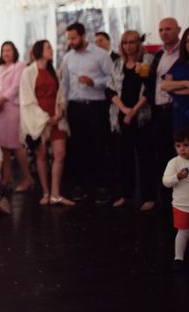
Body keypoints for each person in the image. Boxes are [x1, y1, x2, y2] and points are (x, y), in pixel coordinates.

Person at [61, 22, 113, 202]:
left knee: (99, 145)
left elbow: (112, 79)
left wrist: (94, 82)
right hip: (76, 106)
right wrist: (65, 107)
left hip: (96, 106)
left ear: (83, 36)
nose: (71, 41)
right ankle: (81, 185)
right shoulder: (68, 58)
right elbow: (65, 84)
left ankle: (102, 187)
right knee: (78, 147)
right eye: (69, 39)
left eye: (74, 38)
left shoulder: (101, 55)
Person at [106, 31, 156, 211]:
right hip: (121, 114)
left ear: (138, 43)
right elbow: (110, 90)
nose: (128, 46)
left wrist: (133, 111)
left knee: (145, 158)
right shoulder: (118, 64)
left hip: (141, 116)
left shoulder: (147, 61)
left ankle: (149, 197)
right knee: (123, 157)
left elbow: (149, 91)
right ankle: (125, 194)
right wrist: (124, 109)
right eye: (125, 42)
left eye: (132, 42)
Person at [20, 40, 73, 206]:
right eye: (48, 47)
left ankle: (56, 193)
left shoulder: (53, 71)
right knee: (41, 155)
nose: (51, 50)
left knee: (60, 153)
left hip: (56, 117)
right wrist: (44, 118)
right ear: (40, 51)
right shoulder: (28, 72)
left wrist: (60, 111)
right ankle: (46, 192)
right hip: (39, 119)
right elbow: (26, 98)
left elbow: (60, 94)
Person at [146, 17, 182, 210]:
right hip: (158, 111)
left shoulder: (183, 55)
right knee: (161, 155)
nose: (164, 33)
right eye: (161, 29)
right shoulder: (158, 56)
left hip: (177, 110)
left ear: (178, 30)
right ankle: (166, 198)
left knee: (180, 154)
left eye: (168, 29)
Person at [0, 41, 31, 191]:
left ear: (14, 52)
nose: (6, 53)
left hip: (11, 108)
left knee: (16, 145)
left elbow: (16, 86)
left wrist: (2, 99)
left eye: (9, 50)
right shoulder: (0, 67)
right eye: (4, 51)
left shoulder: (20, 65)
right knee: (2, 145)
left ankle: (27, 178)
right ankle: (7, 177)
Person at [162, 125, 189, 271]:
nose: (182, 149)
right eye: (178, 146)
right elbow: (166, 182)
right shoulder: (174, 163)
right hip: (181, 205)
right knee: (183, 232)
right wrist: (176, 177)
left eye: (186, 145)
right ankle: (178, 257)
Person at [162, 27, 189, 132]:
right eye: (187, 41)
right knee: (181, 146)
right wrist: (186, 83)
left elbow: (170, 87)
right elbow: (164, 86)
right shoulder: (180, 63)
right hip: (179, 115)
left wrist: (174, 87)